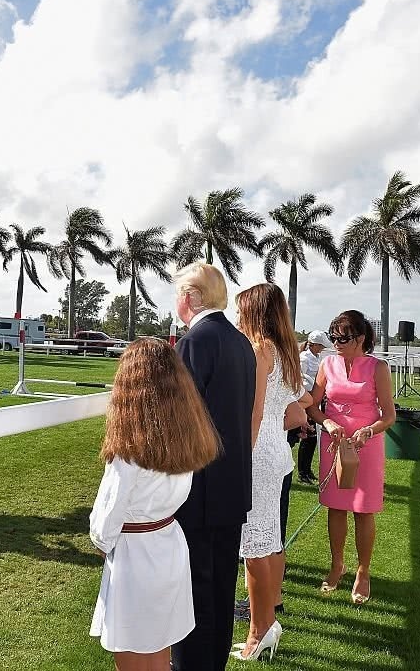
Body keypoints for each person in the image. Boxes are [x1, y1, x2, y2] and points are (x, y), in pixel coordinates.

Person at [89, 338, 221, 671]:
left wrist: (102, 541)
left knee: (132, 658)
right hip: (170, 547)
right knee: (160, 655)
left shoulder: (129, 451)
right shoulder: (187, 436)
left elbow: (105, 522)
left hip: (135, 559)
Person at [169, 262, 255, 671]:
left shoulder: (195, 342)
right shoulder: (240, 342)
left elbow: (180, 419)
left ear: (191, 296)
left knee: (194, 592)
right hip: (232, 486)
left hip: (199, 488)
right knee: (221, 588)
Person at [231, 284, 311, 661]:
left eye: (240, 310)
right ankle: (262, 626)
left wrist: (240, 456)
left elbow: (255, 409)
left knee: (254, 549)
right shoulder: (287, 351)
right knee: (269, 542)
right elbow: (300, 403)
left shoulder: (261, 348)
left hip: (258, 453)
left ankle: (259, 630)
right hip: (277, 451)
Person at [306, 310, 396, 606]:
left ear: (360, 338)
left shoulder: (377, 368)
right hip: (334, 444)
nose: (336, 342)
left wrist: (368, 431)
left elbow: (389, 416)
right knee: (335, 506)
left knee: (363, 509)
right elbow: (313, 406)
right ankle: (336, 565)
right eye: (333, 336)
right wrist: (327, 422)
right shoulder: (326, 364)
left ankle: (363, 571)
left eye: (342, 337)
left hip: (366, 446)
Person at [294, 330, 331, 484]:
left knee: (312, 439)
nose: (322, 349)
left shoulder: (316, 357)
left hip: (314, 400)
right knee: (307, 437)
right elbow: (300, 380)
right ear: (314, 344)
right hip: (306, 400)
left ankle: (307, 471)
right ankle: (302, 473)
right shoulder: (304, 358)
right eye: (320, 346)